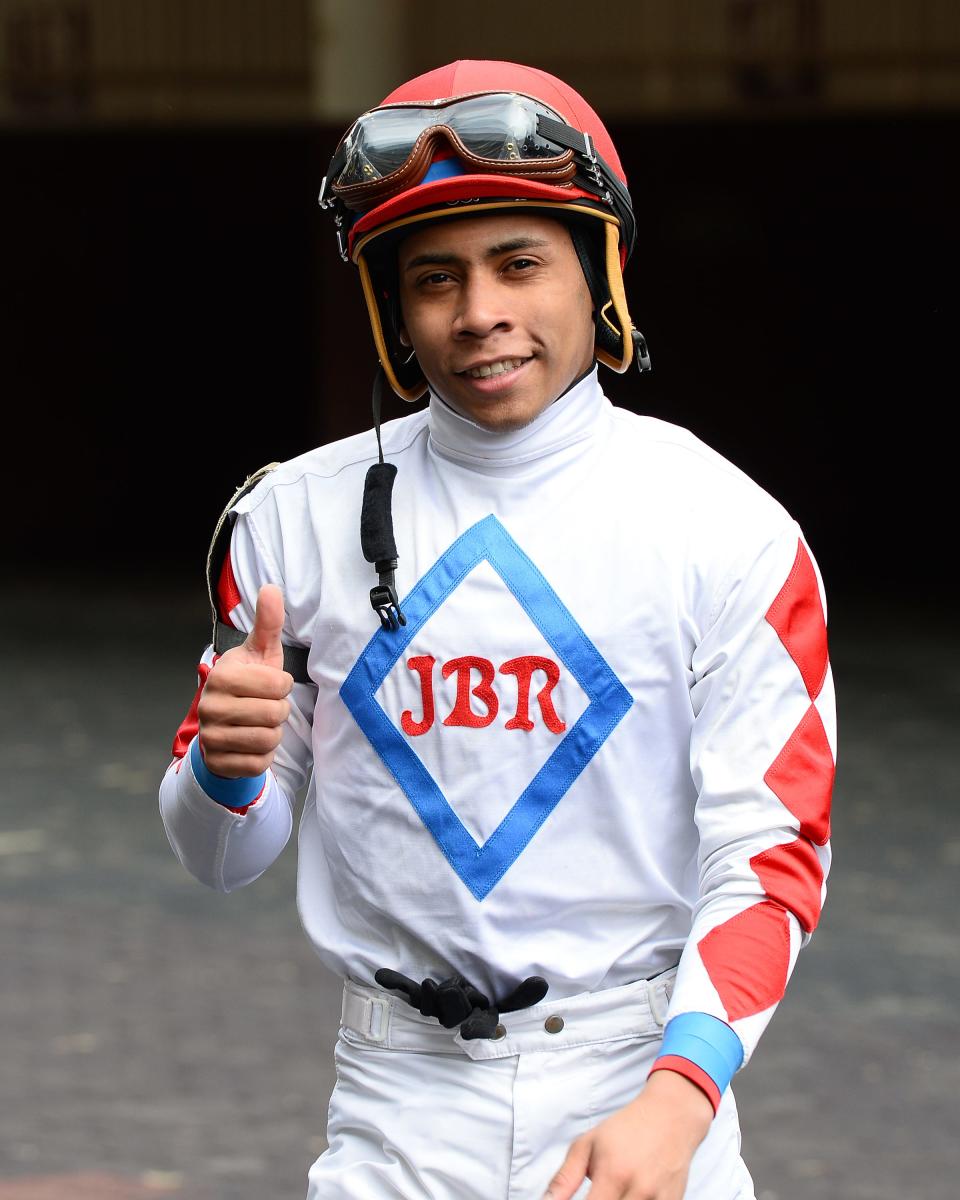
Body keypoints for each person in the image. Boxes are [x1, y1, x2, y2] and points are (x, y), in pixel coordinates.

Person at [160, 59, 835, 1200]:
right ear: (391, 308)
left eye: (520, 263)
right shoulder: (286, 520)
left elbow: (768, 864)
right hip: (394, 1105)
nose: (480, 315)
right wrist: (226, 771)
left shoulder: (730, 528)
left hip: (645, 1081)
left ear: (600, 274)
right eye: (434, 279)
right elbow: (219, 856)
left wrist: (678, 1100)